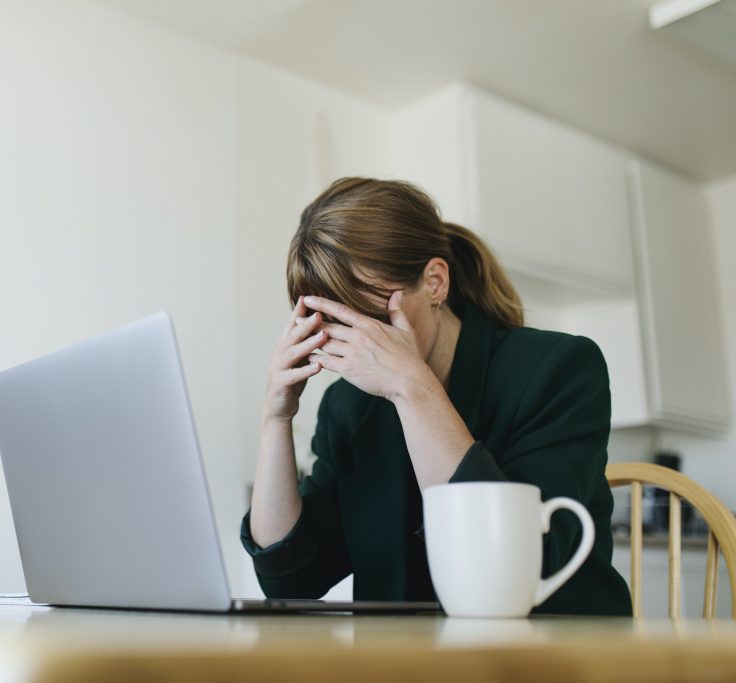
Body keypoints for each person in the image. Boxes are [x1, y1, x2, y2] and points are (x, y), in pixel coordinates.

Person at [240, 177, 632, 616]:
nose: (357, 346)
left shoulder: (558, 368)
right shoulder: (347, 407)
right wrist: (276, 416)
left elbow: (502, 574)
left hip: (556, 655)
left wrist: (412, 387)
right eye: (333, 325)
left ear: (435, 283)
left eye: (368, 318)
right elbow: (290, 578)